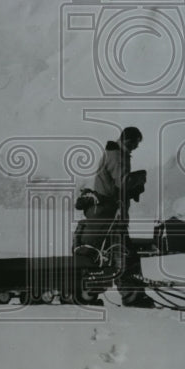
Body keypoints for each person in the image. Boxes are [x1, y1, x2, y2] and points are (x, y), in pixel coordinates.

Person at [75, 127, 155, 308]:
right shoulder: (118, 157)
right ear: (128, 140)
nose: (136, 147)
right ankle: (133, 297)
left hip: (108, 216)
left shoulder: (114, 154)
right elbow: (123, 182)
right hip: (111, 217)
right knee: (126, 256)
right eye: (135, 143)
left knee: (113, 257)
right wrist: (141, 178)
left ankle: (94, 293)